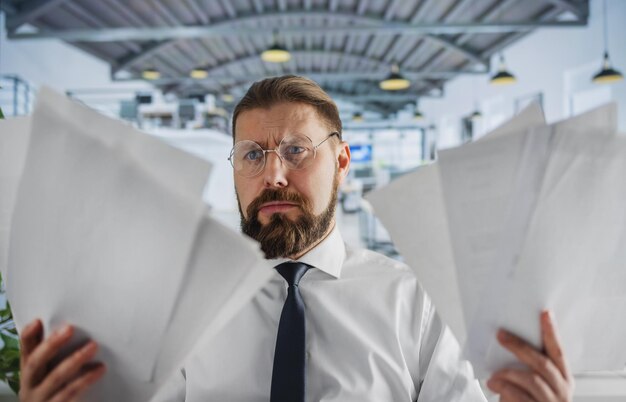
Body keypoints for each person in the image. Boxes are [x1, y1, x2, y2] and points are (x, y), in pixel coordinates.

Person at [17, 75, 574, 402]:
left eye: (296, 151)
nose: (273, 175)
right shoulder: (177, 310)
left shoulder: (417, 304)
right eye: (252, 155)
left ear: (342, 160)